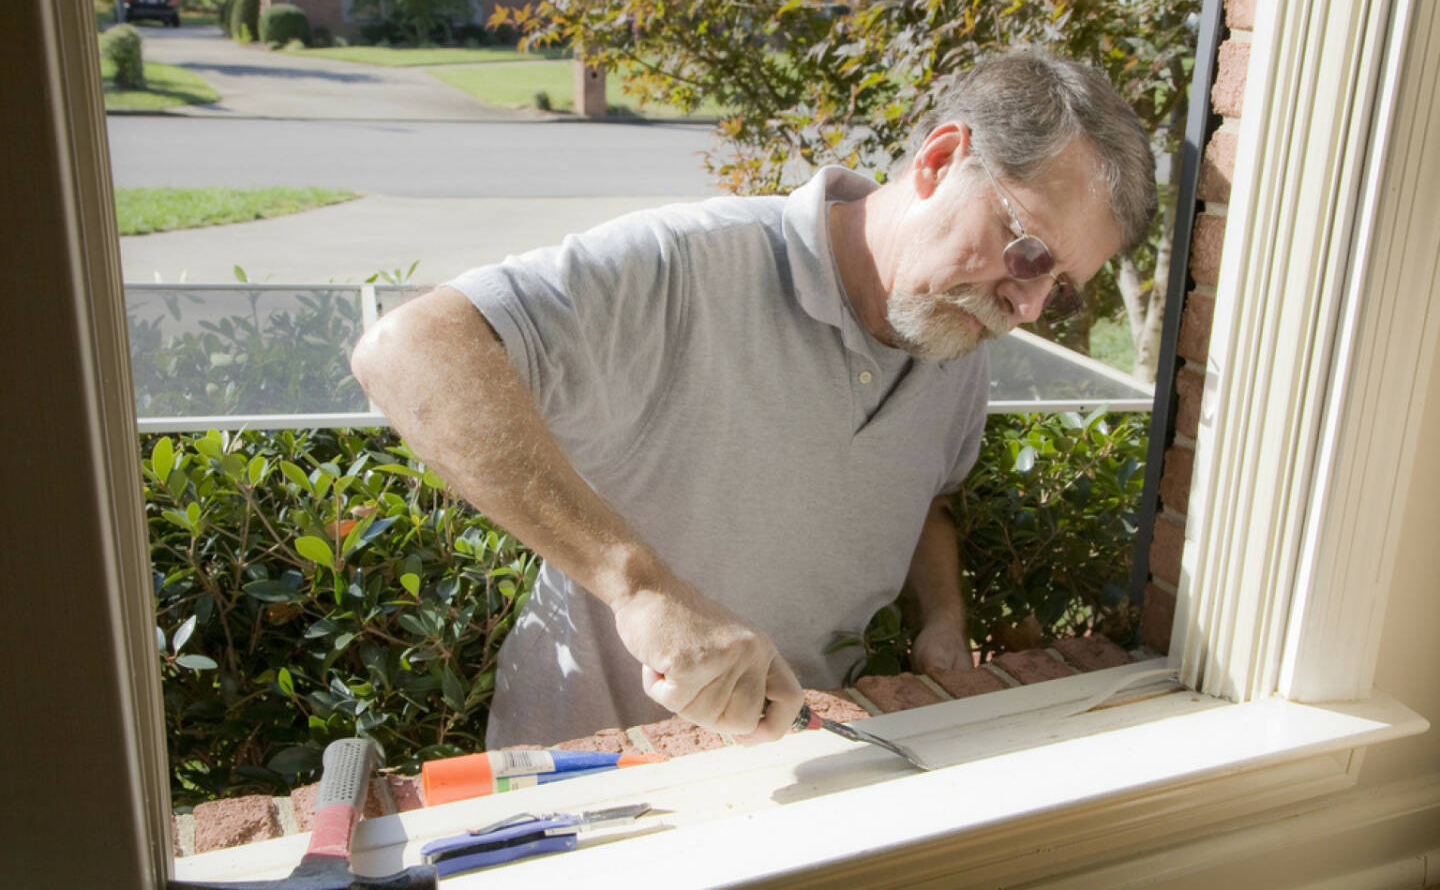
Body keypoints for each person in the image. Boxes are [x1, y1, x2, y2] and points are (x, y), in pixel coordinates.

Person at [350, 49, 1157, 749]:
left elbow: (927, 501)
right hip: (590, 774)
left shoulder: (954, 341)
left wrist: (940, 619)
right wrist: (641, 588)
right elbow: (410, 350)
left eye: (1059, 288)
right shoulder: (694, 264)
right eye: (1026, 252)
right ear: (943, 159)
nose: (1025, 308)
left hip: (792, 761)